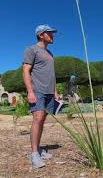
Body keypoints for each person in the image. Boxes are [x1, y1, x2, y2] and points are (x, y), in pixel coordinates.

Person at [23, 24, 59, 168]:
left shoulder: (50, 54)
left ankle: (38, 149)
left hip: (50, 92)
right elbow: (26, 71)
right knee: (37, 118)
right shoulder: (31, 50)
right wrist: (30, 91)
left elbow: (52, 74)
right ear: (40, 35)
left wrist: (55, 90)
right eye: (49, 33)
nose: (52, 36)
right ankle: (34, 154)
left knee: (42, 119)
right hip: (37, 90)